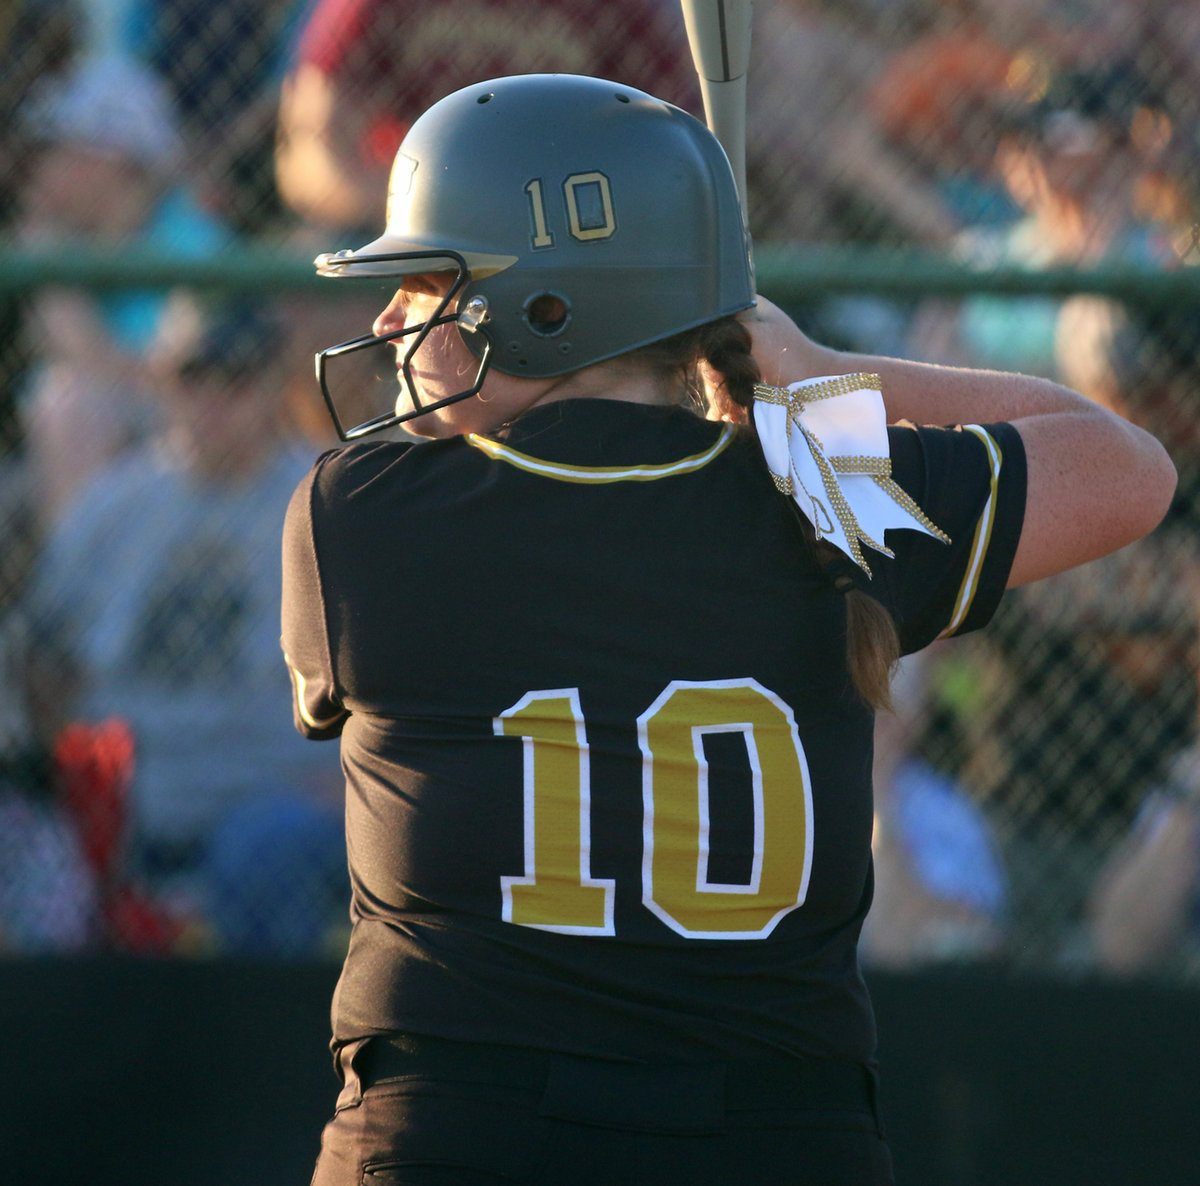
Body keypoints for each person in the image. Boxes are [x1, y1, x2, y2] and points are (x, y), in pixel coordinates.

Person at [282, 74, 1175, 1185]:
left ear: (549, 304)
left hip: (460, 1122)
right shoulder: (815, 479)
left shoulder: (362, 511)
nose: (388, 320)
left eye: (426, 282)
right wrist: (812, 378)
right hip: (774, 1132)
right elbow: (1130, 470)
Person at [26, 298, 345, 956]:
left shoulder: (326, 504)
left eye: (236, 381)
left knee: (264, 855)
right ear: (164, 384)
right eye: (193, 379)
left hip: (269, 795)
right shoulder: (115, 506)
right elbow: (43, 657)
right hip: (129, 800)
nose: (213, 402)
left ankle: (257, 1055)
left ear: (273, 388)